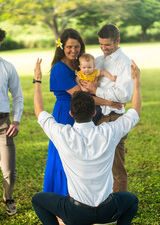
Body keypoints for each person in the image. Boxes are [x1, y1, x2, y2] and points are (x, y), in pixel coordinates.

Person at [32, 58, 141, 225]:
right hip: (107, 211)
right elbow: (135, 112)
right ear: (93, 114)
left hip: (76, 214)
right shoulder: (108, 132)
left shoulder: (63, 134)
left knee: (38, 200)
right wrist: (136, 81)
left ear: (70, 113)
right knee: (132, 200)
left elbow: (40, 111)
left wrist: (37, 80)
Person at [43, 28, 123, 198]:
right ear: (62, 47)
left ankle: (84, 198)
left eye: (77, 46)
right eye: (69, 47)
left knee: (83, 157)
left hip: (86, 115)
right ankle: (63, 199)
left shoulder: (82, 65)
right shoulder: (59, 69)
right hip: (67, 113)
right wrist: (110, 102)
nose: (73, 50)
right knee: (64, 156)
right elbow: (82, 96)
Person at [80, 24, 134, 192]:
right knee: (99, 167)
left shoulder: (124, 62)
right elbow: (85, 83)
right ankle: (104, 204)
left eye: (107, 45)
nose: (103, 48)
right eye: (101, 44)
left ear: (117, 41)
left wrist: (96, 91)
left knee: (117, 168)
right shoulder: (96, 60)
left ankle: (120, 208)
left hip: (114, 117)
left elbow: (124, 94)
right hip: (97, 117)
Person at [0, 28, 23, 215]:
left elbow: (17, 96)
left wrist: (16, 121)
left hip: (3, 125)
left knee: (9, 169)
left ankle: (8, 198)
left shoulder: (7, 67)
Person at [76, 53, 117, 124]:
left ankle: (95, 120)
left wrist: (111, 77)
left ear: (94, 66)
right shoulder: (80, 74)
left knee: (97, 109)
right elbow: (77, 79)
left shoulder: (94, 72)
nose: (87, 70)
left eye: (89, 67)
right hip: (84, 94)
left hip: (95, 94)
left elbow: (104, 73)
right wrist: (81, 87)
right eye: (84, 68)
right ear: (80, 67)